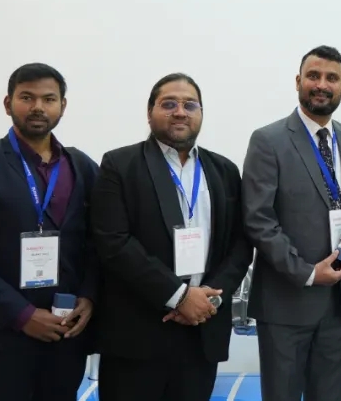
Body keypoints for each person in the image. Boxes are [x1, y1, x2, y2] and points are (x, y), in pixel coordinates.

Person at [89, 73, 253, 401]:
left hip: (201, 333)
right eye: (169, 104)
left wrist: (209, 301)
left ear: (201, 113)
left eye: (190, 105)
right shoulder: (120, 165)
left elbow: (240, 245)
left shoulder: (224, 170)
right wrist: (179, 296)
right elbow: (114, 242)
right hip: (139, 336)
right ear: (149, 112)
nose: (180, 112)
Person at [0, 63, 99, 401]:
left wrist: (89, 296)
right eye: (27, 97)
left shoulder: (82, 166)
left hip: (66, 333)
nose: (38, 107)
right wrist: (22, 315)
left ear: (62, 106)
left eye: (49, 99)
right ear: (8, 103)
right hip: (3, 337)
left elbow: (97, 242)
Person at [242, 45, 341, 401]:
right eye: (314, 76)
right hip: (287, 301)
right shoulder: (268, 140)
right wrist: (309, 273)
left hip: (339, 302)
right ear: (298, 81)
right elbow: (258, 219)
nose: (322, 85)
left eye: (332, 78)